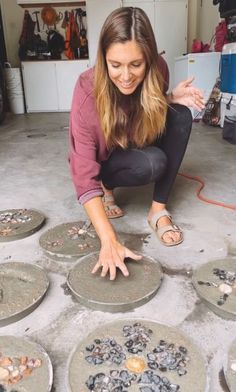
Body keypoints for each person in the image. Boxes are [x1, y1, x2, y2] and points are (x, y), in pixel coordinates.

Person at [69, 7, 205, 280]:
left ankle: (158, 209)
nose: (126, 76)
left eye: (136, 64)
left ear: (149, 60)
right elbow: (83, 170)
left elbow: (142, 108)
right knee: (153, 164)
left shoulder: (159, 69)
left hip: (137, 139)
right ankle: (107, 188)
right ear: (103, 59)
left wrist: (169, 97)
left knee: (181, 116)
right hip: (107, 158)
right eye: (115, 65)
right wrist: (108, 239)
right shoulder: (87, 90)